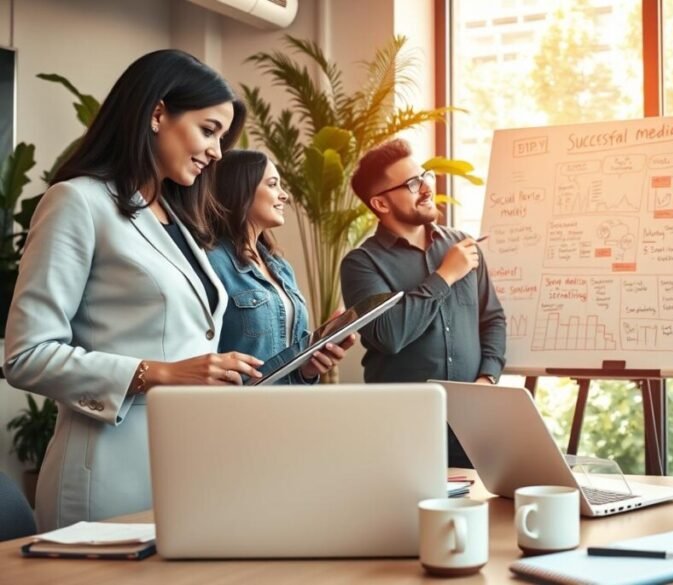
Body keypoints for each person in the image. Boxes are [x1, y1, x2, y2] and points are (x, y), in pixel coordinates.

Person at [3, 50, 263, 530]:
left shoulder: (175, 220)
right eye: (209, 131)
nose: (218, 152)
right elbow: (26, 355)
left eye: (222, 138)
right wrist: (157, 372)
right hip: (107, 478)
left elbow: (190, 347)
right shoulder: (76, 202)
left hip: (184, 471)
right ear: (157, 113)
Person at [340, 138, 507, 468]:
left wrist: (486, 382)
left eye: (425, 176)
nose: (427, 188)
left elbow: (493, 320)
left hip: (471, 425)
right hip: (401, 428)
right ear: (381, 204)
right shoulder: (361, 264)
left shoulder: (461, 244)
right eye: (413, 183)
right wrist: (445, 276)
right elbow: (389, 335)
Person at [206, 149, 353, 383]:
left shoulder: (281, 268)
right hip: (238, 410)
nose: (284, 195)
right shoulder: (211, 262)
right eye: (273, 184)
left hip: (290, 406)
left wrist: (309, 368)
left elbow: (288, 360)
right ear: (241, 190)